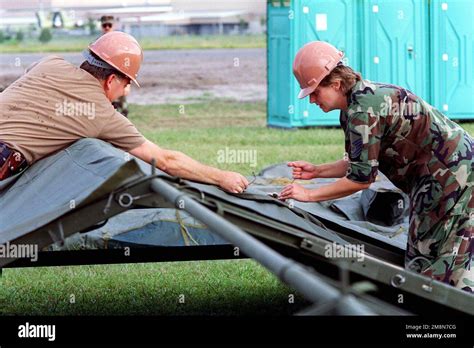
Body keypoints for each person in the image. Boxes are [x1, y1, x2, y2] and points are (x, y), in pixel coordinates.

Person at [279, 41, 473, 292]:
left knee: (426, 260)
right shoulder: (353, 104)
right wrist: (318, 171)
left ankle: (430, 323)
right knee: (454, 254)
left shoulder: (362, 110)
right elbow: (359, 162)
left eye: (314, 91)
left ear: (336, 83)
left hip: (448, 175)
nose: (312, 99)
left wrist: (309, 195)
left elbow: (361, 180)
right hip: (456, 168)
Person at [0, 32, 248, 194]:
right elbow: (165, 160)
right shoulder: (102, 114)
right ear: (110, 80)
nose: (125, 90)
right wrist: (220, 177)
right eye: (126, 83)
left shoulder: (50, 62)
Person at [99, 15, 129, 117]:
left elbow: (126, 65)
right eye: (104, 25)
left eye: (109, 25)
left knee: (123, 113)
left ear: (113, 26)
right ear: (101, 27)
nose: (107, 27)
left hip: (118, 81)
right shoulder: (97, 44)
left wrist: (127, 84)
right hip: (102, 82)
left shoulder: (120, 43)